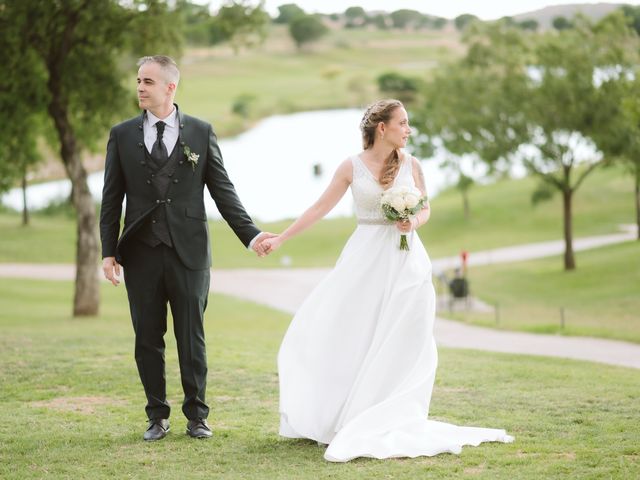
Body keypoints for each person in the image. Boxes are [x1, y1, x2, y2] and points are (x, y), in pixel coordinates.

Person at [262, 99, 514, 462]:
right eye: (403, 123)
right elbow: (320, 207)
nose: (408, 130)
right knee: (355, 333)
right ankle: (347, 413)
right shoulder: (351, 167)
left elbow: (425, 207)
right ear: (382, 127)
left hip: (407, 259)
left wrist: (413, 222)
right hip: (365, 258)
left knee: (406, 336)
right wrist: (282, 238)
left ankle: (394, 413)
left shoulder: (412, 164)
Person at [100, 55, 273, 441]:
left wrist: (251, 235)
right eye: (138, 80)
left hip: (190, 251)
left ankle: (197, 415)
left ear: (169, 87)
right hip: (141, 252)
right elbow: (111, 198)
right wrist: (108, 252)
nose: (140, 87)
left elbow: (223, 191)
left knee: (191, 336)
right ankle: (156, 416)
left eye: (147, 81)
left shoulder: (201, 131)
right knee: (147, 337)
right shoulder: (122, 134)